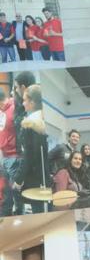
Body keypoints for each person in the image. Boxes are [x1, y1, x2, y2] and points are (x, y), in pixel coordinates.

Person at [13, 84, 48, 213]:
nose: (23, 103)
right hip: (44, 178)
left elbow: (28, 156)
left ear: (32, 102)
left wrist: (18, 179)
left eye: (24, 100)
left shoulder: (30, 123)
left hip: (34, 180)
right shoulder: (44, 120)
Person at [0, 87, 17, 217]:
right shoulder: (2, 111)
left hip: (14, 156)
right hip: (4, 155)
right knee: (6, 190)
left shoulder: (13, 108)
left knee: (13, 191)